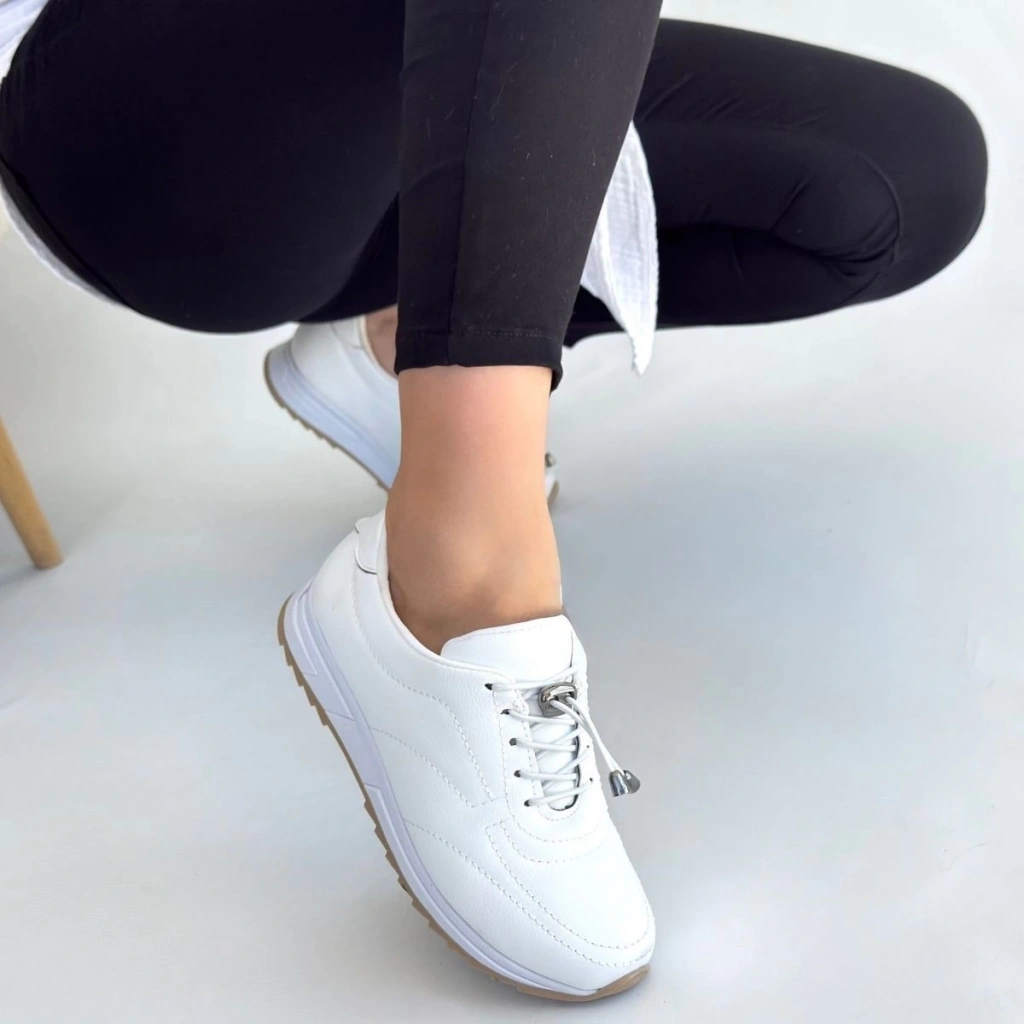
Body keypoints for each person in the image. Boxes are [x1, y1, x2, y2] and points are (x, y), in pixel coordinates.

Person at [0, 0, 987, 1002]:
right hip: (131, 129)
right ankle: (457, 576)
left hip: (388, 121)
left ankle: (406, 343)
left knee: (907, 178)